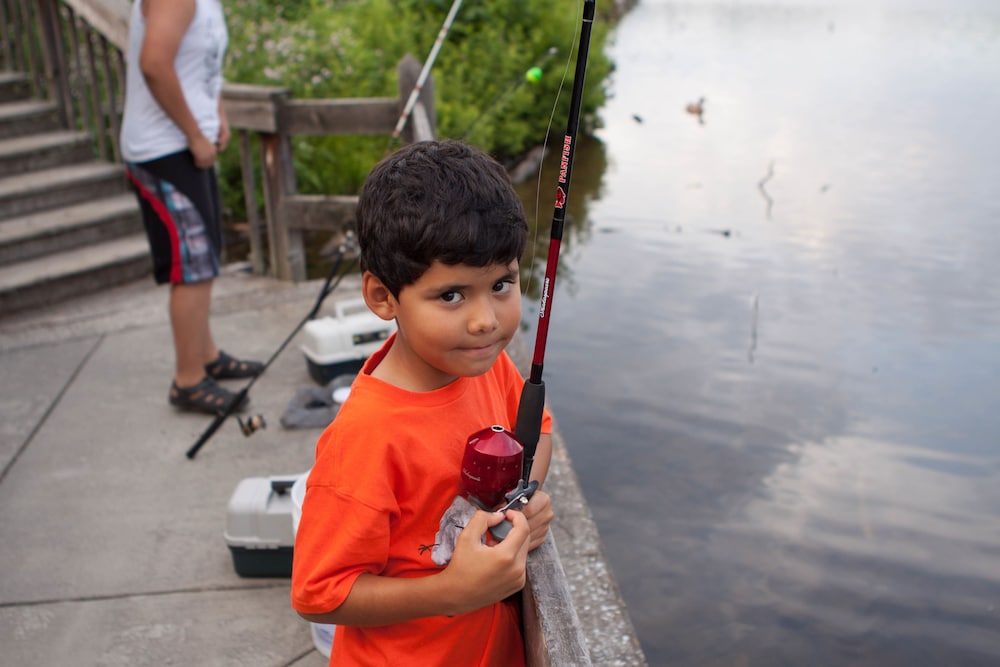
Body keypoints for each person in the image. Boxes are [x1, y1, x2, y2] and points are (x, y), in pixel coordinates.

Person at [291, 140, 555, 666]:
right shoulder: (366, 437)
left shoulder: (482, 363)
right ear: (383, 297)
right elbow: (319, 593)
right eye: (451, 295)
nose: (486, 319)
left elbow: (538, 434)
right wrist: (452, 591)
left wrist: (518, 507)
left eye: (502, 284)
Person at [119, 0, 261, 414]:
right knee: (192, 265)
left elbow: (201, 65)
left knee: (206, 253)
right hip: (164, 149)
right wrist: (195, 134)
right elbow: (154, 64)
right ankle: (188, 380)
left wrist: (217, 114)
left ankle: (206, 355)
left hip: (187, 143)